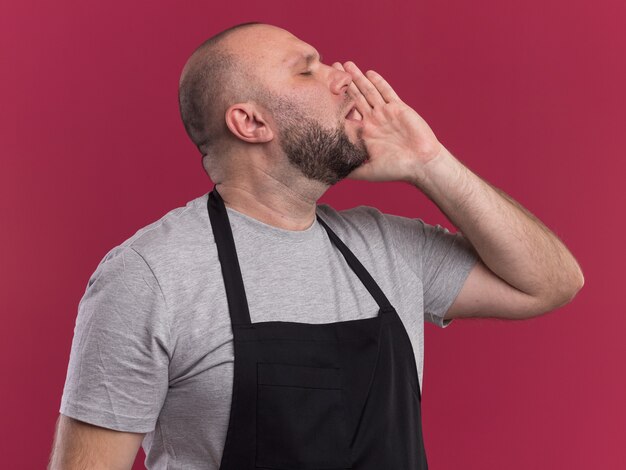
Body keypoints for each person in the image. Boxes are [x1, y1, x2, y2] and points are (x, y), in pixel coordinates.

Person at [48, 21, 584, 470]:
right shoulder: (150, 275)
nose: (344, 76)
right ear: (251, 122)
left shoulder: (385, 246)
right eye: (308, 69)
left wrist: (430, 163)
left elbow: (551, 283)